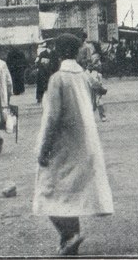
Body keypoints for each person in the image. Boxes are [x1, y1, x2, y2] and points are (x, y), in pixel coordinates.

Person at [33, 33, 113, 256]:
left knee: (49, 191)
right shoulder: (83, 75)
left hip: (63, 144)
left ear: (58, 52)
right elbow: (97, 95)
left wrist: (44, 148)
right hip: (84, 142)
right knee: (68, 194)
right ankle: (70, 238)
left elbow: (52, 118)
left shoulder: (58, 78)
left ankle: (68, 235)